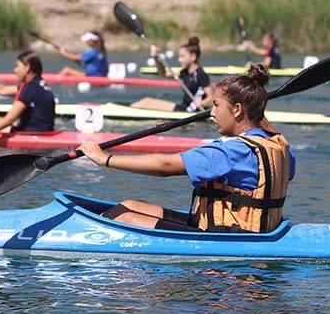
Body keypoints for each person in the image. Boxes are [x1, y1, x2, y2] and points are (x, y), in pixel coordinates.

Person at [77, 64, 294, 233]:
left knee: (124, 219)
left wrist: (105, 159)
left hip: (227, 235)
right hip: (252, 229)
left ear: (238, 110)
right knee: (127, 205)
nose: (211, 113)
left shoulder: (231, 152)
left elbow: (165, 166)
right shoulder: (280, 145)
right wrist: (257, 111)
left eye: (216, 106)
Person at [131, 36, 211, 112]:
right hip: (183, 108)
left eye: (182, 57)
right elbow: (164, 73)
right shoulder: (185, 72)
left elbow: (211, 99)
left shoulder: (200, 74)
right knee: (145, 101)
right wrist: (156, 58)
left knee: (146, 102)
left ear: (193, 56)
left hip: (189, 111)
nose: (179, 60)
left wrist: (201, 103)